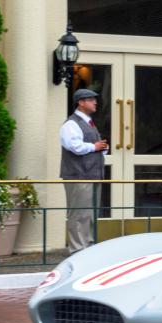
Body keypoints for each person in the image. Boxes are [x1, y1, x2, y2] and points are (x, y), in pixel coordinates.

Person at [59, 88, 109, 254]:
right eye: (90, 99)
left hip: (93, 175)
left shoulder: (89, 123)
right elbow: (74, 146)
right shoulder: (71, 123)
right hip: (78, 175)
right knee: (79, 213)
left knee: (90, 213)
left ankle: (88, 248)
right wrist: (94, 146)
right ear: (80, 103)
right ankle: (77, 249)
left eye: (95, 99)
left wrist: (102, 148)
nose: (95, 102)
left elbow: (90, 147)